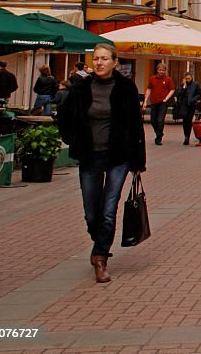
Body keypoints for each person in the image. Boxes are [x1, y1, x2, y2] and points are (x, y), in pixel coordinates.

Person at [58, 43, 146, 283]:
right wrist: (71, 138)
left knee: (108, 210)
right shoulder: (81, 89)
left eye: (105, 58)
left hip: (118, 156)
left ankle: (100, 257)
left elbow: (135, 126)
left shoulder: (126, 88)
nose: (99, 63)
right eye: (96, 58)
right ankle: (99, 241)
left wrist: (138, 160)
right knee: (91, 213)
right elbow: (64, 116)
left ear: (115, 62)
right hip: (89, 155)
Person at [142, 63, 175, 146]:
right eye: (160, 70)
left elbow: (172, 90)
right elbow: (149, 89)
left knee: (160, 120)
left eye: (163, 70)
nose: (161, 72)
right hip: (153, 102)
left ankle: (158, 138)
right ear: (157, 70)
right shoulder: (152, 79)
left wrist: (166, 98)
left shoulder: (168, 79)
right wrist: (145, 101)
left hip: (163, 103)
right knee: (153, 120)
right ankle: (159, 133)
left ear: (165, 71)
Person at [173, 72, 201, 146]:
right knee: (185, 121)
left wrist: (193, 99)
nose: (188, 80)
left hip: (191, 105)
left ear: (192, 77)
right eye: (186, 78)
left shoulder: (195, 85)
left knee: (189, 120)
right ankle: (186, 135)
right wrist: (184, 87)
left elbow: (199, 94)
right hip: (184, 105)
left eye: (189, 78)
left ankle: (187, 136)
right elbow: (179, 94)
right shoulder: (182, 85)